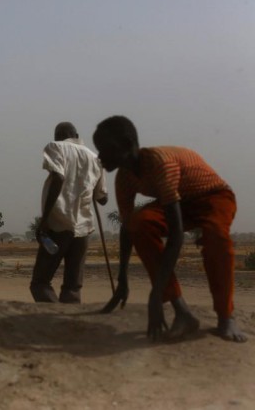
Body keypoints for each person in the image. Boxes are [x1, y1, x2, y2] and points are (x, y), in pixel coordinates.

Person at [94, 115, 247, 343]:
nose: (99, 156)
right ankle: (182, 312)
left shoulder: (160, 163)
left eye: (105, 149)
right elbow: (128, 229)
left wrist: (155, 295)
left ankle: (226, 317)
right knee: (140, 223)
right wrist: (122, 279)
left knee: (215, 236)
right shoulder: (124, 177)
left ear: (127, 144)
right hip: (179, 202)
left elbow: (176, 236)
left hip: (213, 196)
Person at [29, 122, 108, 304]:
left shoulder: (55, 147)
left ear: (58, 136)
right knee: (73, 286)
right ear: (76, 134)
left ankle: (54, 318)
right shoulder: (95, 158)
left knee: (40, 282)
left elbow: (58, 177)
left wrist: (44, 220)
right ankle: (68, 321)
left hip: (58, 222)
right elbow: (102, 199)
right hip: (83, 228)